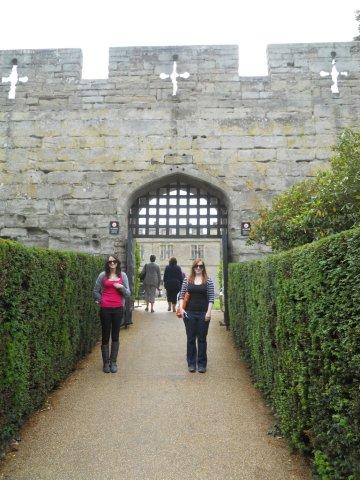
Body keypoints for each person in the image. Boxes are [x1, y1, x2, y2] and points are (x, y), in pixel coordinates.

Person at [93, 254, 131, 373]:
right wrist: (101, 300)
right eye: (110, 262)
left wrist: (121, 287)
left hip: (118, 309)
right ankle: (106, 363)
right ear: (107, 264)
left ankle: (113, 362)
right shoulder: (102, 275)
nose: (112, 264)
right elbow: (95, 291)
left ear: (118, 263)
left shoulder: (122, 275)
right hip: (105, 309)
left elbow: (128, 294)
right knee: (105, 336)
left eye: (114, 261)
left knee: (115, 336)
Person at [178, 258, 215, 373]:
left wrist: (209, 312)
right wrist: (181, 309)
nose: (198, 268)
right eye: (196, 266)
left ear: (203, 268)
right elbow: (181, 295)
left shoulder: (208, 281)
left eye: (201, 266)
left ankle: (202, 364)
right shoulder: (187, 280)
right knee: (191, 339)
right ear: (193, 267)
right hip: (189, 313)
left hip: (203, 313)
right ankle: (191, 363)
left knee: (202, 339)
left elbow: (211, 297)